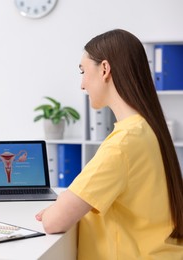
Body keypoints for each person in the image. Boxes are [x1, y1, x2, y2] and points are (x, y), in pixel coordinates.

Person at [35, 29, 183, 259]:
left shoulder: (123, 143)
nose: (82, 85)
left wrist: (55, 209)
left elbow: (54, 222)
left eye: (83, 72)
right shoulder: (146, 128)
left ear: (104, 69)